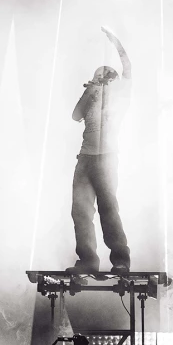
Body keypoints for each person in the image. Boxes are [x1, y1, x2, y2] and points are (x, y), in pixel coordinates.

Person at [66, 27, 132, 274]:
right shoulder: (91, 96)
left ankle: (121, 260)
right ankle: (88, 261)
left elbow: (128, 69)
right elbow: (75, 116)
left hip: (107, 158)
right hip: (85, 158)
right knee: (80, 211)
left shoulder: (120, 95)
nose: (99, 78)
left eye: (104, 75)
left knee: (108, 209)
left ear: (112, 79)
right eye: (97, 75)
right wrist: (90, 90)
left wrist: (117, 44)